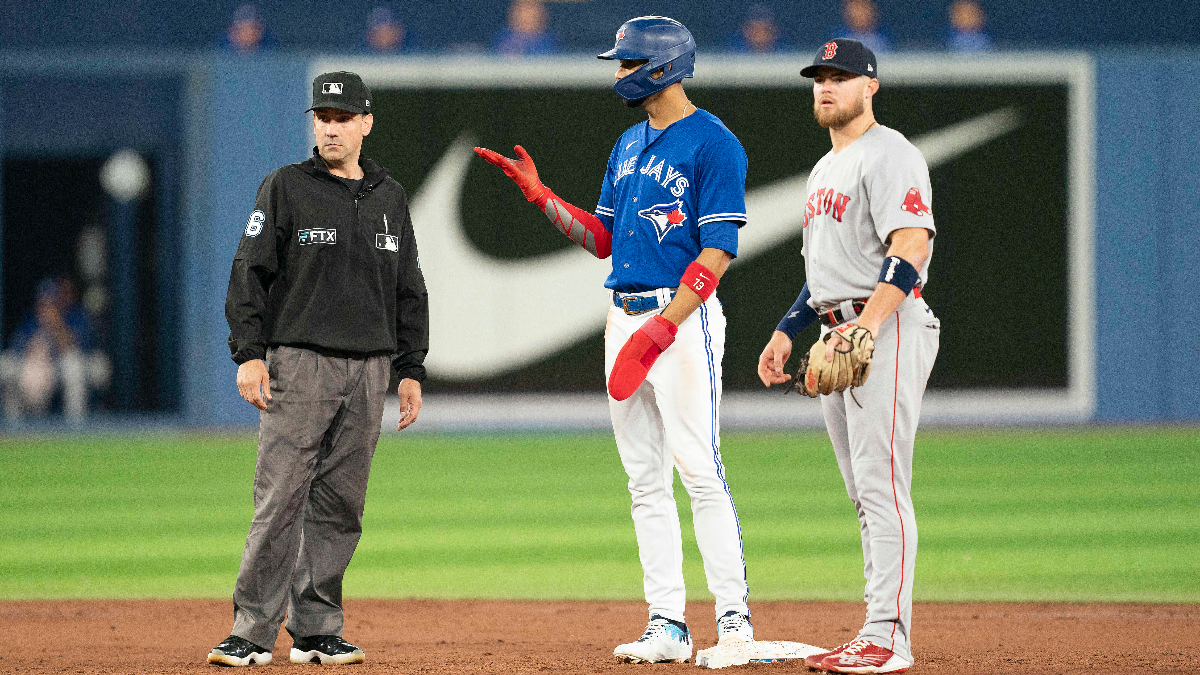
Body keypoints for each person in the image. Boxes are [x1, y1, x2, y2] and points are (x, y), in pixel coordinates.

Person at [475, 15, 753, 664]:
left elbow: (717, 253)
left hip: (680, 319)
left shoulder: (714, 144)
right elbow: (602, 239)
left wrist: (664, 327)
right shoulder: (628, 144)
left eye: (627, 64)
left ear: (662, 67)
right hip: (622, 315)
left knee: (700, 470)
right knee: (644, 482)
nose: (619, 74)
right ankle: (668, 624)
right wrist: (543, 199)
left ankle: (735, 623)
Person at [209, 71, 429, 667]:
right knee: (280, 498)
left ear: (365, 123)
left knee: (340, 505)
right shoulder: (286, 187)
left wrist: (410, 368)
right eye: (321, 118)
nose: (329, 128)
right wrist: (249, 354)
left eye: (341, 118)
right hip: (299, 363)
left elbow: (410, 289)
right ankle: (251, 631)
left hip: (371, 370)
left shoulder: (389, 195)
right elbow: (248, 275)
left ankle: (315, 629)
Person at [756, 39, 939, 674]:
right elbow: (825, 273)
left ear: (871, 86)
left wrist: (866, 326)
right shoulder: (823, 169)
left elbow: (910, 245)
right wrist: (787, 330)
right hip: (841, 329)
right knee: (864, 491)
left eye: (841, 77)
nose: (826, 87)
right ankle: (874, 627)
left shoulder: (891, 153)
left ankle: (889, 639)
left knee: (883, 487)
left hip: (883, 327)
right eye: (819, 78)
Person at [0, 277, 106, 422]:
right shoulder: (31, 321)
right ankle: (12, 423)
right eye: (44, 302)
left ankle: (75, 423)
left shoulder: (75, 317)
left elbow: (77, 351)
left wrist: (56, 326)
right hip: (35, 369)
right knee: (6, 364)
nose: (47, 307)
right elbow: (17, 349)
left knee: (73, 367)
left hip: (63, 368)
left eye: (51, 302)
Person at [492, 0, 559, 56]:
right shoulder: (502, 38)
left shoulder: (550, 44)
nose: (526, 14)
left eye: (531, 7)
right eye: (521, 8)